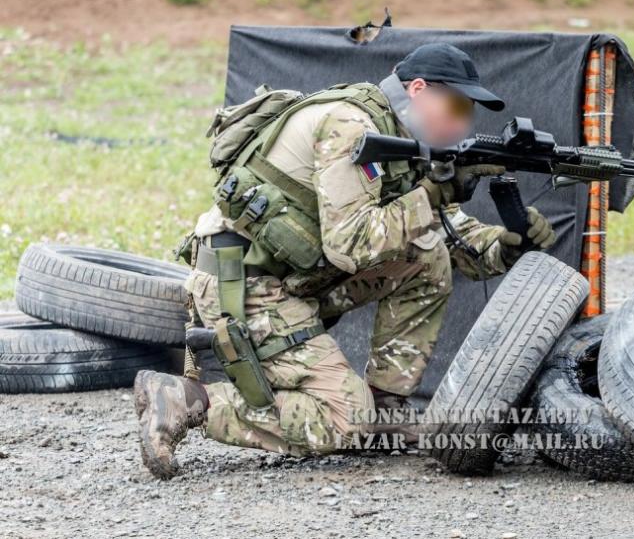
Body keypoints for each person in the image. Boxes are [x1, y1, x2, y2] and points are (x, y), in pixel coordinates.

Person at [135, 43, 556, 478]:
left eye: (470, 110)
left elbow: (447, 237)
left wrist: (505, 245)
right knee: (344, 418)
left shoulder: (405, 142)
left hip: (295, 279)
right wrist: (434, 193)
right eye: (457, 104)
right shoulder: (350, 126)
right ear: (417, 90)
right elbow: (350, 245)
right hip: (245, 285)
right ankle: (191, 401)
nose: (464, 120)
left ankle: (386, 408)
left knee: (426, 260)